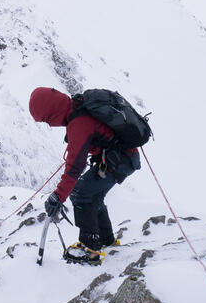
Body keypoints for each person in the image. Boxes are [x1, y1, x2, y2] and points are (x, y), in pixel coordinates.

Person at [28, 87, 140, 265]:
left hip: (120, 160)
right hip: (122, 157)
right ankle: (106, 240)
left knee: (80, 194)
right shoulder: (78, 107)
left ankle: (91, 249)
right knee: (93, 194)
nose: (49, 124)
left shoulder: (78, 124)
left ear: (53, 111)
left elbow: (74, 168)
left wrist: (58, 197)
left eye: (47, 119)